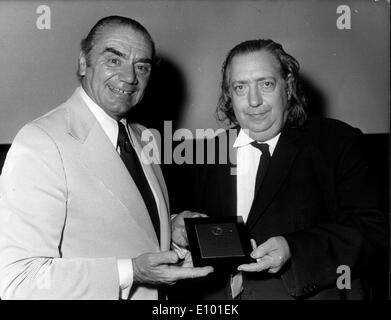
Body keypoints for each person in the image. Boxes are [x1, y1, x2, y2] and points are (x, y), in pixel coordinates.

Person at [0, 15, 213, 300]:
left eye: (142, 66)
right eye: (114, 60)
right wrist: (131, 272)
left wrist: (169, 227)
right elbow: (19, 281)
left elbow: (119, 223)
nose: (129, 77)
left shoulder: (140, 135)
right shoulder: (40, 141)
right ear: (82, 62)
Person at [176, 39, 387, 300]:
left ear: (288, 87)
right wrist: (178, 229)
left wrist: (293, 249)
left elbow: (374, 231)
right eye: (240, 87)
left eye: (266, 84)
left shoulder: (339, 142)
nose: (254, 101)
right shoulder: (209, 152)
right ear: (229, 95)